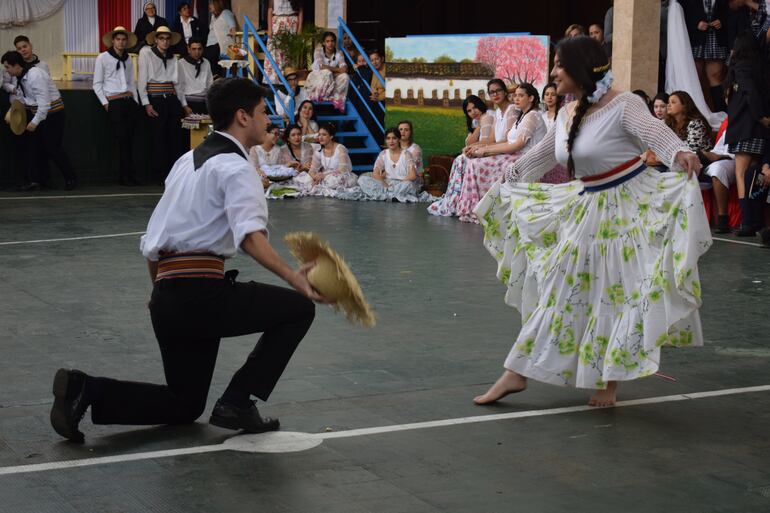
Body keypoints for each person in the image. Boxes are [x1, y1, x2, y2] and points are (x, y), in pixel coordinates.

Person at [49, 78, 329, 444]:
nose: (268, 121)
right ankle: (238, 400)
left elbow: (154, 241)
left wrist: (159, 293)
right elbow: (249, 237)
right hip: (201, 295)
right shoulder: (236, 166)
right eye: (263, 113)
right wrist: (294, 277)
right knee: (298, 309)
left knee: (184, 403)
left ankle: (85, 390)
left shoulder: (186, 161)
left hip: (167, 294)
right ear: (243, 117)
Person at [473, 36, 709, 408]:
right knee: (561, 289)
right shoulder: (568, 112)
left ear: (579, 67)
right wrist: (505, 185)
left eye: (558, 65)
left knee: (618, 293)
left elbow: (654, 132)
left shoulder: (624, 104)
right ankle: (516, 372)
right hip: (586, 208)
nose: (553, 72)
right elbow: (542, 156)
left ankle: (608, 379)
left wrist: (678, 150)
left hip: (628, 210)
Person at [458, 83, 549, 222]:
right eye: (515, 95)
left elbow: (517, 145)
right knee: (475, 162)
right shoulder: (523, 116)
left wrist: (485, 151)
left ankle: (488, 211)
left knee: (477, 164)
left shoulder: (532, 115)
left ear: (531, 98)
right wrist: (484, 150)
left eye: (521, 95)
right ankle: (473, 208)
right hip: (516, 155)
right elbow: (508, 142)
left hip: (528, 158)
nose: (516, 98)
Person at [428, 79, 516, 217]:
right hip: (496, 147)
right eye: (469, 110)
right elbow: (477, 141)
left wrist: (474, 147)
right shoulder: (497, 113)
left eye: (498, 91)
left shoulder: (496, 114)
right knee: (461, 158)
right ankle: (459, 200)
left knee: (463, 160)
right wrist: (471, 147)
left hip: (505, 149)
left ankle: (468, 203)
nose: (473, 112)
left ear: (504, 92)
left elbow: (497, 140)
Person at [1, 51, 76, 191]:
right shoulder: (20, 76)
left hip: (52, 114)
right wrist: (13, 111)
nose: (6, 70)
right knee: (34, 148)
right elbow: (24, 98)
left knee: (53, 148)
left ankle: (70, 178)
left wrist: (34, 123)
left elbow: (45, 103)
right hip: (37, 113)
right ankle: (37, 181)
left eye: (7, 67)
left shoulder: (35, 75)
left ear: (16, 65)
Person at [724, 30, 770, 236]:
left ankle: (746, 221)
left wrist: (760, 116)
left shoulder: (741, 67)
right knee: (754, 174)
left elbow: (749, 93)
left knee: (741, 173)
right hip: (758, 129)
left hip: (745, 127)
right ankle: (755, 218)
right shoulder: (760, 66)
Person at [93, 27, 143, 186]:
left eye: (123, 40)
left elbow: (131, 81)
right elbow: (97, 83)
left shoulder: (128, 59)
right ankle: (123, 176)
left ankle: (130, 175)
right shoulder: (103, 58)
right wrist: (106, 103)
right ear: (113, 41)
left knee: (131, 141)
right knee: (122, 140)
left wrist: (136, 101)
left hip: (129, 102)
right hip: (114, 102)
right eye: (118, 39)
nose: (121, 42)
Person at [139, 26, 184, 182]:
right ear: (156, 40)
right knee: (158, 138)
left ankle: (173, 173)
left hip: (171, 98)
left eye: (167, 39)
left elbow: (178, 84)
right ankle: (158, 174)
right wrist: (146, 103)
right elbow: (141, 81)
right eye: (162, 38)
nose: (165, 42)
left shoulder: (173, 58)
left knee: (174, 137)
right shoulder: (146, 54)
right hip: (155, 98)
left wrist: (183, 104)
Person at [681, 0, 729, 112]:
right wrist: (695, 24)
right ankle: (694, 113)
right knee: (694, 78)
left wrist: (721, 21)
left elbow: (729, 13)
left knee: (716, 76)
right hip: (696, 39)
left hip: (716, 38)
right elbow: (680, 14)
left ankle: (720, 112)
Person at [354, 128, 425, 202]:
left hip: (401, 183)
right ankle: (392, 195)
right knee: (362, 179)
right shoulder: (383, 153)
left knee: (409, 185)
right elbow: (376, 173)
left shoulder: (406, 154)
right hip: (387, 183)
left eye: (394, 138)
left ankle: (384, 195)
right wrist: (386, 185)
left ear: (399, 140)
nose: (391, 141)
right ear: (386, 140)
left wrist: (399, 184)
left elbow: (413, 175)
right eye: (388, 138)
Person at [701, 119, 736, 233]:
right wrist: (710, 155)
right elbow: (718, 149)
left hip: (738, 161)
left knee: (718, 169)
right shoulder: (731, 124)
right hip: (722, 159)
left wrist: (719, 157)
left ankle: (723, 218)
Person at [306, 123, 358, 196]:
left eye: (324, 135)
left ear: (331, 136)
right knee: (306, 179)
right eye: (319, 134)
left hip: (342, 176)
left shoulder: (340, 148)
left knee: (334, 180)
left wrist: (323, 175)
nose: (320, 137)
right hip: (325, 177)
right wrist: (315, 177)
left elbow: (342, 170)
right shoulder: (319, 151)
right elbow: (312, 170)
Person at [306, 32, 349, 111]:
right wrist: (338, 70)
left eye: (332, 41)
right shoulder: (318, 50)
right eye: (327, 41)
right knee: (327, 72)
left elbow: (344, 68)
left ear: (335, 42)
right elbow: (321, 66)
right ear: (324, 43)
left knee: (345, 76)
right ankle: (320, 96)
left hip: (331, 78)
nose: (330, 43)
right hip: (317, 78)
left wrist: (337, 71)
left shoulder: (339, 53)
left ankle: (337, 99)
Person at [264, 0, 303, 83]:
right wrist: (270, 29)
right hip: (277, 22)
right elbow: (270, 10)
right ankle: (274, 78)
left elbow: (300, 10)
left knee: (289, 51)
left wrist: (299, 29)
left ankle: (289, 76)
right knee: (275, 50)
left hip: (292, 22)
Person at [177, 37, 214, 115]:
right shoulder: (181, 63)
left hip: (204, 103)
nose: (197, 52)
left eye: (199, 49)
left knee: (204, 127)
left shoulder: (206, 62)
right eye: (194, 49)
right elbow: (179, 87)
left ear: (203, 49)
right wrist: (185, 106)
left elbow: (209, 84)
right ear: (188, 49)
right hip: (188, 102)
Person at [205, 0, 237, 78]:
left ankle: (216, 77)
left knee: (208, 56)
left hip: (220, 45)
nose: (209, 6)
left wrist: (230, 35)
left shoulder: (226, 13)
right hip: (210, 45)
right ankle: (215, 77)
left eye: (211, 4)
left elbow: (233, 28)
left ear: (217, 4)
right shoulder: (213, 17)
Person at [249, 123, 282, 187]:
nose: (277, 137)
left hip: (276, 183)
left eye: (278, 134)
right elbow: (253, 168)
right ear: (266, 133)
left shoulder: (278, 149)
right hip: (259, 183)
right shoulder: (255, 149)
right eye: (275, 134)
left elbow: (280, 168)